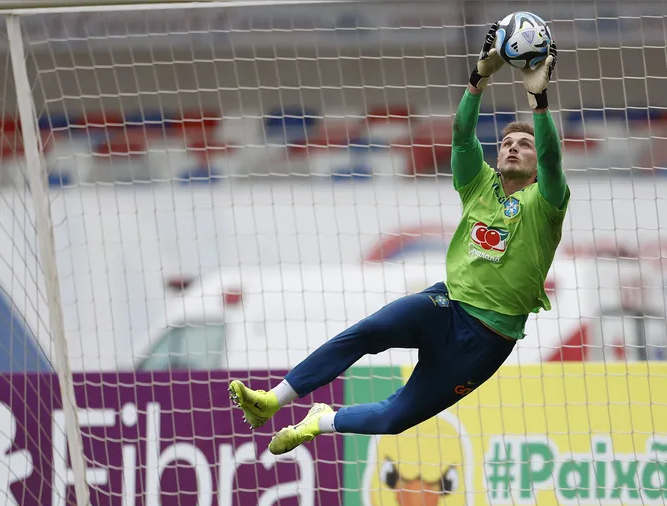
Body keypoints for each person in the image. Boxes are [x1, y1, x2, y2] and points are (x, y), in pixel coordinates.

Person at [228, 23, 570, 455]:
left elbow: (555, 161)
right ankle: (272, 400)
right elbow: (462, 135)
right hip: (447, 305)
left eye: (524, 144)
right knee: (372, 330)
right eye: (505, 142)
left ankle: (320, 421)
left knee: (394, 419)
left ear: (537, 162)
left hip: (487, 341)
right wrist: (478, 78)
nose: (512, 148)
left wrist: (539, 103)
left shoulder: (547, 202)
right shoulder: (478, 184)